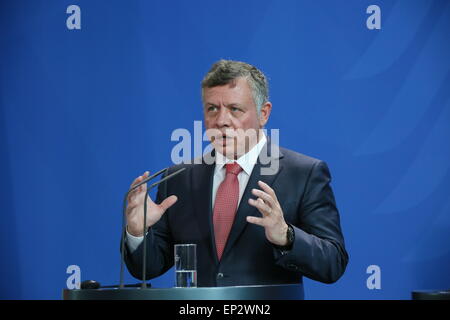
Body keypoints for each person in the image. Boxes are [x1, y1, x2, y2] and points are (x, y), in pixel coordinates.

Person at [122, 60, 348, 287]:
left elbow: (333, 262)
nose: (221, 121)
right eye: (212, 109)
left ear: (263, 113)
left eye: (234, 109)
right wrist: (137, 231)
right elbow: (150, 267)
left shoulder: (303, 174)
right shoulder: (178, 178)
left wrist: (286, 236)